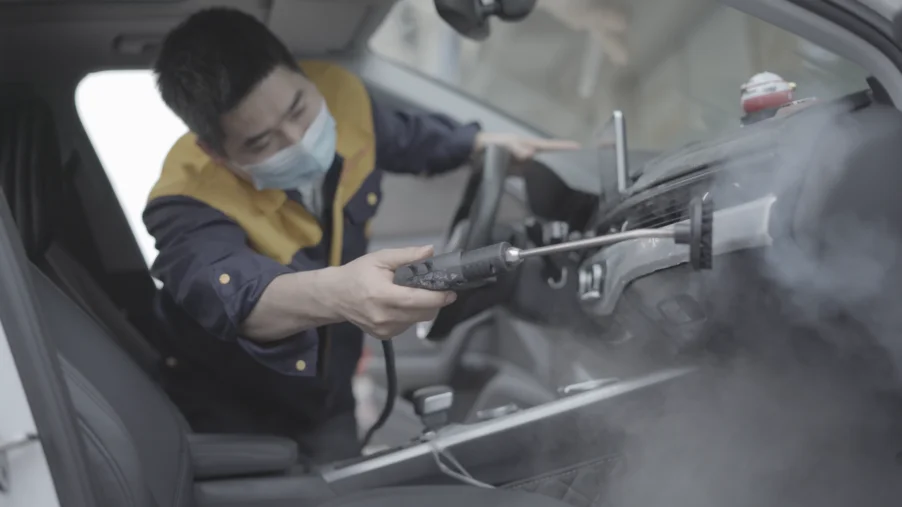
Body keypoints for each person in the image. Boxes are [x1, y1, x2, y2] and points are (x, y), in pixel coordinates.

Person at [144, 7, 579, 464]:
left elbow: (406, 137)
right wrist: (342, 295)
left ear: (302, 74)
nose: (297, 140)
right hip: (231, 408)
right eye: (261, 142)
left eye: (299, 109)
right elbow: (234, 293)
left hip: (329, 390)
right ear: (214, 152)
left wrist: (485, 148)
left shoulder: (342, 97)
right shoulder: (185, 205)